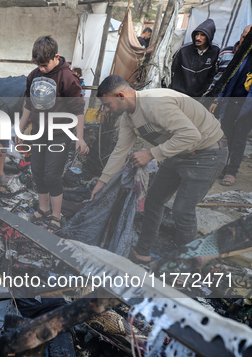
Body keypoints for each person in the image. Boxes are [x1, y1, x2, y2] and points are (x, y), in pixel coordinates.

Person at [91, 75, 227, 264]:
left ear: (121, 95)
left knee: (182, 210)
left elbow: (191, 135)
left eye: (107, 104)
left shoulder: (154, 104)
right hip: (178, 153)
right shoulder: (128, 118)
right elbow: (120, 151)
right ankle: (143, 252)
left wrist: (152, 153)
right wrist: (102, 183)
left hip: (207, 153)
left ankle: (187, 265)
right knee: (153, 201)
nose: (106, 109)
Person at [17, 35, 88, 231]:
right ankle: (43, 209)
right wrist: (21, 128)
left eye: (45, 65)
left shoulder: (67, 78)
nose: (41, 69)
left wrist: (79, 137)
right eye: (38, 65)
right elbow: (28, 104)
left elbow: (78, 110)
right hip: (39, 132)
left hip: (60, 134)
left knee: (52, 176)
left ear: (56, 57)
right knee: (37, 173)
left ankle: (56, 216)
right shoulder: (34, 76)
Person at [209, 25, 252, 186]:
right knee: (225, 136)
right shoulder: (239, 57)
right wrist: (217, 99)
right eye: (243, 36)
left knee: (239, 139)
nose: (244, 40)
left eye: (248, 38)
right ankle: (222, 166)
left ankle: (232, 171)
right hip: (231, 103)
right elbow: (226, 81)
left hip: (248, 107)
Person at [170, 19, 220, 97]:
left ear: (209, 36)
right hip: (178, 94)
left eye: (202, 35)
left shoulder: (215, 52)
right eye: (196, 34)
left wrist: (204, 92)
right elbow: (171, 71)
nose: (198, 38)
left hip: (197, 98)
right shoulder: (184, 50)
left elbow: (212, 75)